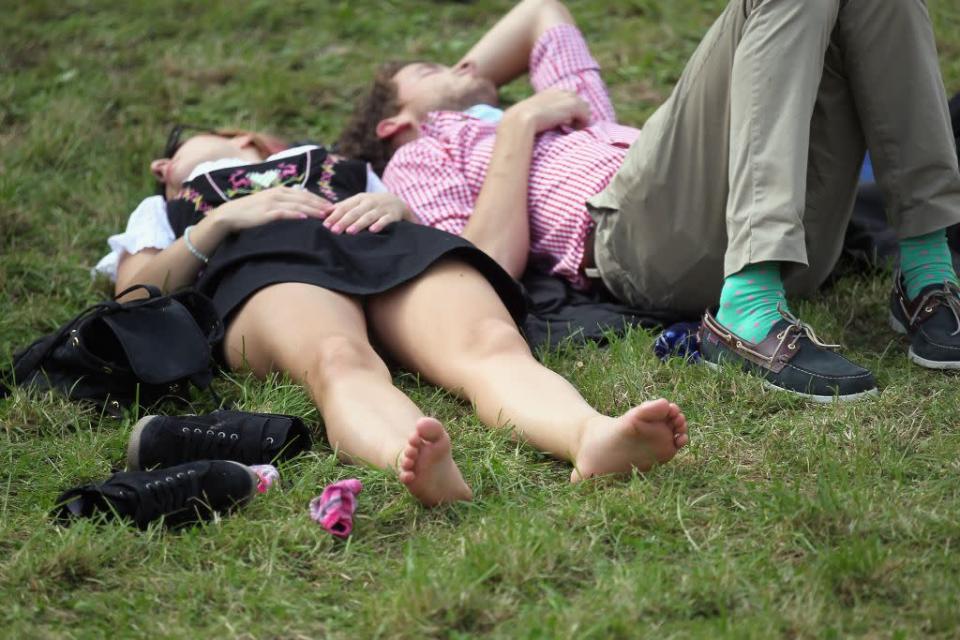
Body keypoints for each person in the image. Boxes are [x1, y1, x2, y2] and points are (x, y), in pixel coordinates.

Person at [339, 0, 960, 402]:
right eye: (429, 70)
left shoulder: (568, 106)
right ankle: (748, 306)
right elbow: (485, 267)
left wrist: (482, 92)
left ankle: (927, 274)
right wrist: (516, 122)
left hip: (791, 239)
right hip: (638, 242)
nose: (464, 64)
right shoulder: (419, 155)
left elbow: (538, 11)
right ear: (395, 123)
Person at [96, 128, 689, 507]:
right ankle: (411, 455)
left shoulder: (343, 168)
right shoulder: (166, 208)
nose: (161, 167)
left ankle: (591, 436)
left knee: (489, 342)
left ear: (246, 138)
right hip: (265, 265)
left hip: (381, 240)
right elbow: (137, 297)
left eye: (176, 151)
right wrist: (217, 224)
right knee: (338, 359)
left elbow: (434, 216)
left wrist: (395, 204)